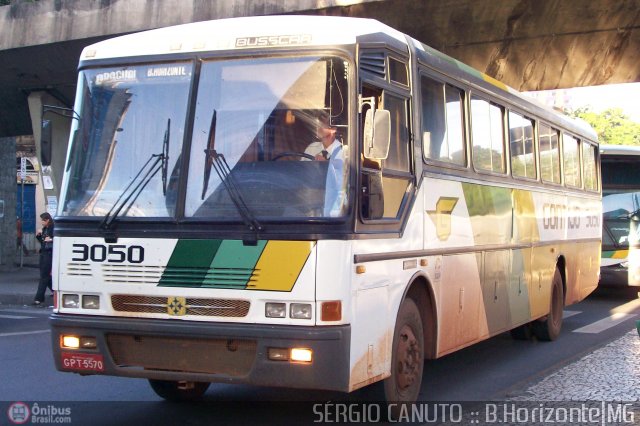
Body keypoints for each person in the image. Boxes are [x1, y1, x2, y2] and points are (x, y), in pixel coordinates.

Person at [304, 114, 346, 216]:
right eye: (317, 124)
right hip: (309, 204)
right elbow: (302, 174)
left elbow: (344, 183)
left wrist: (327, 166)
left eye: (322, 124)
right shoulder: (311, 148)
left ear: (333, 129)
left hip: (332, 208)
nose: (318, 127)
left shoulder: (344, 152)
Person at [33, 212, 54, 306]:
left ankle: (39, 298)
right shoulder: (45, 228)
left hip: (49, 253)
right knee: (44, 274)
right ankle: (55, 290)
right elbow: (43, 242)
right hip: (44, 252)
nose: (41, 222)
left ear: (47, 220)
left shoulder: (53, 228)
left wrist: (51, 239)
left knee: (44, 276)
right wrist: (38, 236)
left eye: (43, 220)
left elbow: (54, 239)